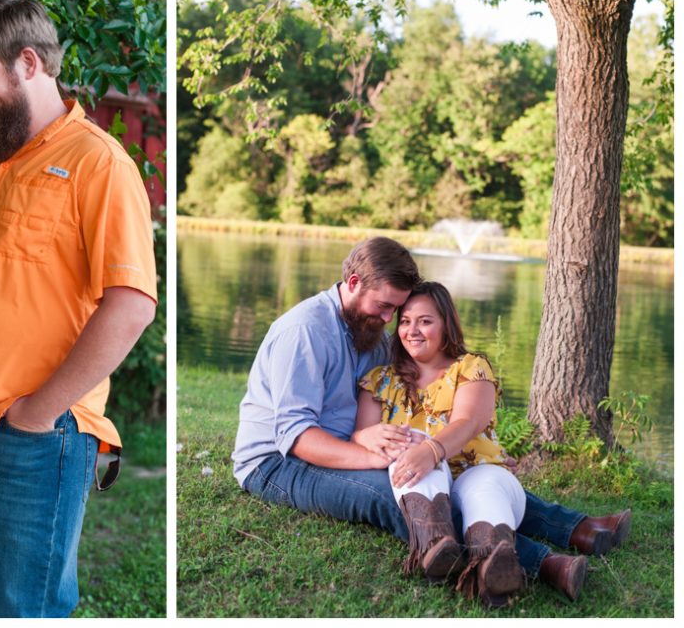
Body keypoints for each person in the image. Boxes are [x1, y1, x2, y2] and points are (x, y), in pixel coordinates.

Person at [0, 0, 158, 617]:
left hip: (38, 435)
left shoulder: (98, 163)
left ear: (26, 63)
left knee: (27, 610)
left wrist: (39, 413)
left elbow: (131, 305)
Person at [233, 236, 631, 603]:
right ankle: (543, 564)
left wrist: (475, 450)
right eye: (386, 307)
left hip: (347, 445)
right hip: (279, 463)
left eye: (398, 310)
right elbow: (297, 437)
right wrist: (374, 458)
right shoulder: (303, 331)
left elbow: (393, 403)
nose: (391, 320)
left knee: (471, 481)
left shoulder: (367, 328)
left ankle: (579, 529)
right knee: (397, 491)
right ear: (353, 282)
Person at [355, 281, 527, 606]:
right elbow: (360, 435)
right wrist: (367, 436)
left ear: (446, 323)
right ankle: (437, 547)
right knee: (407, 448)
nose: (412, 330)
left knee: (482, 486)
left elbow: (467, 422)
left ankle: (493, 569)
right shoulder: (381, 381)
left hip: (482, 473)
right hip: (425, 485)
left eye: (425, 321)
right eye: (405, 321)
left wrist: (430, 450)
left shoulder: (471, 368)